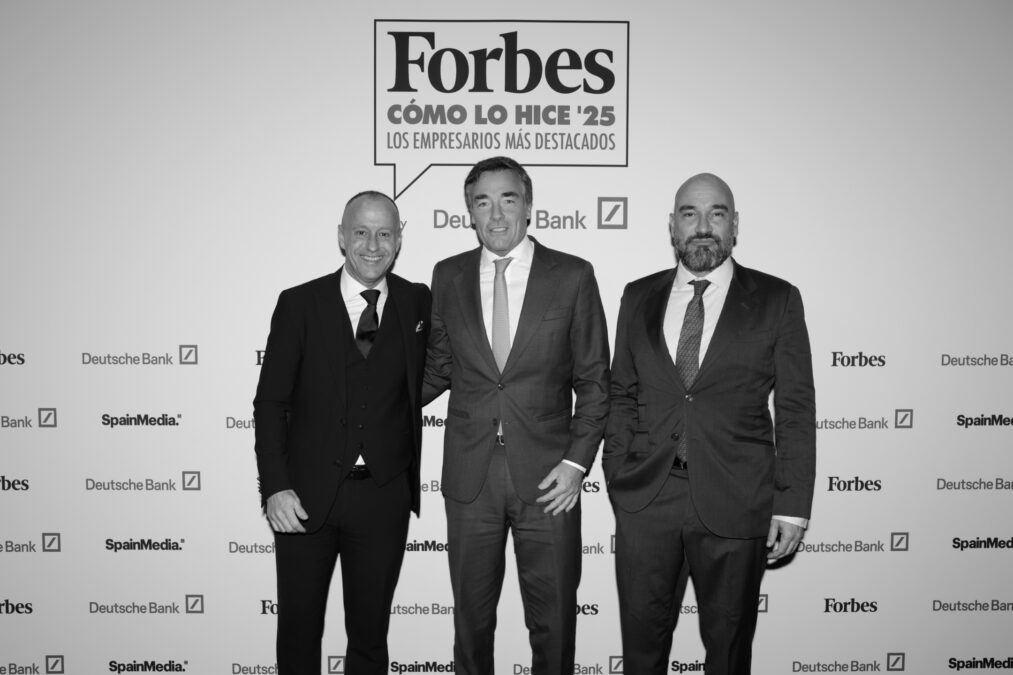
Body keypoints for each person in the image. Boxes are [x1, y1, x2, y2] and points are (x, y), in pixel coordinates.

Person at [604, 173, 816, 675]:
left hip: (737, 500)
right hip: (647, 499)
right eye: (690, 214)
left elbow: (795, 408)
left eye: (716, 214)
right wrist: (618, 471)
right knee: (641, 652)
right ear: (672, 226)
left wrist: (791, 505)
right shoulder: (638, 296)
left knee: (728, 653)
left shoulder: (777, 298)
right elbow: (622, 393)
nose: (703, 226)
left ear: (734, 224)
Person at [424, 156, 610, 675]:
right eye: (482, 202)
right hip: (471, 476)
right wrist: (365, 401)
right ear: (470, 212)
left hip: (551, 478)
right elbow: (438, 367)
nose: (496, 214)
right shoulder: (448, 275)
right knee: (470, 626)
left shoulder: (572, 275)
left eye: (508, 200)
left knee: (554, 625)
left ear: (528, 206)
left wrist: (575, 465)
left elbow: (595, 382)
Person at [253, 191, 431, 675]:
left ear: (399, 239)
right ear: (341, 236)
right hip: (304, 496)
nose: (373, 245)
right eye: (361, 232)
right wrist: (275, 486)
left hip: (383, 495)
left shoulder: (417, 300)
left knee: (370, 637)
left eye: (384, 233)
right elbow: (270, 403)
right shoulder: (299, 303)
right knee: (298, 632)